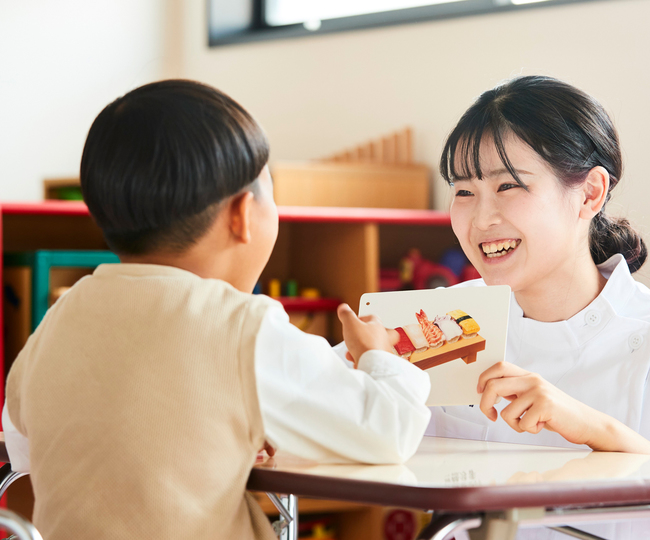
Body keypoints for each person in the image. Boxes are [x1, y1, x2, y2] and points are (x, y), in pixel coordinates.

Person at [1, 80, 429, 540]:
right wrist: (378, 357)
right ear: (243, 214)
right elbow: (389, 432)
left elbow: (28, 447)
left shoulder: (58, 321)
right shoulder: (245, 328)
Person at [426, 75, 650, 539]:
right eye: (464, 191)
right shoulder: (438, 322)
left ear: (590, 193)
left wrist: (598, 433)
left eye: (509, 186)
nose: (482, 218)